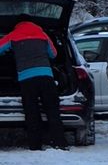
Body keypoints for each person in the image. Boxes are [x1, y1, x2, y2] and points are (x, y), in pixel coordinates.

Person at [0, 17, 68, 150]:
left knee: (32, 112)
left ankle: (35, 144)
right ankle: (60, 142)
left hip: (27, 78)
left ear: (17, 26)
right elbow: (54, 54)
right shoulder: (42, 35)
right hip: (46, 76)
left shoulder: (13, 35)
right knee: (52, 110)